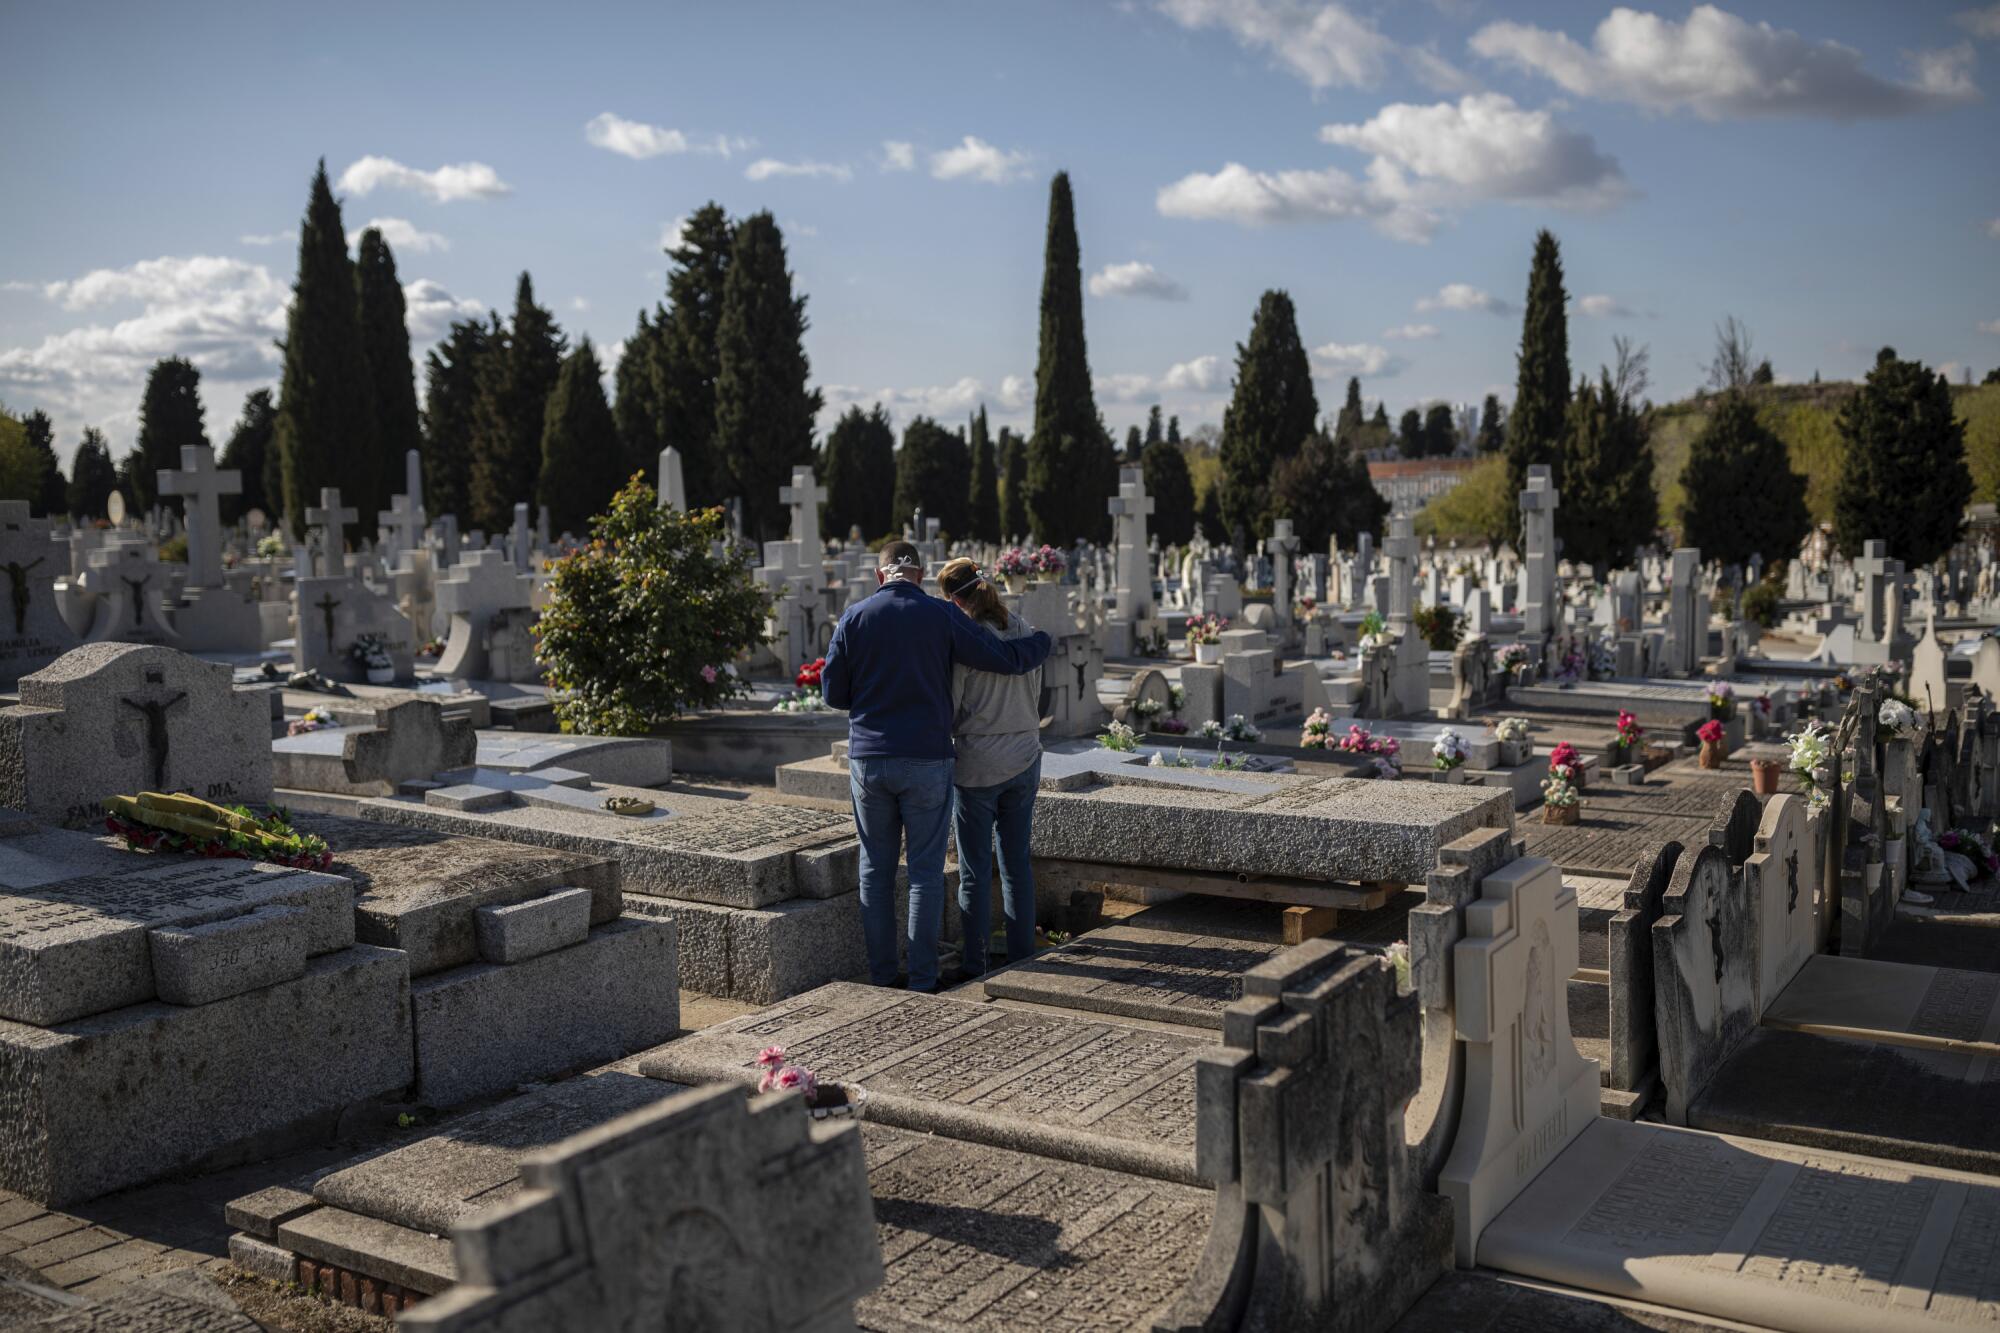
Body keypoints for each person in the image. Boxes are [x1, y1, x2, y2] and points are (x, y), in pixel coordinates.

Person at [821, 542, 1052, 992]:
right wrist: (1042, 642)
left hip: (870, 756)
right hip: (927, 756)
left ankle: (883, 976)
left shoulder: (854, 616)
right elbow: (1002, 658)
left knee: (875, 869)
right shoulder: (941, 615)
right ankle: (924, 979)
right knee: (925, 873)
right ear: (921, 575)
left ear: (878, 574)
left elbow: (833, 693)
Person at [936, 557, 1043, 977]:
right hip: (1025, 754)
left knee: (974, 871)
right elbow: (1038, 695)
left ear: (953, 600)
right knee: (1016, 862)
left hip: (979, 762)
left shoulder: (967, 644)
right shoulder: (1025, 631)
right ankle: (1022, 955)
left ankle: (975, 959)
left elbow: (952, 706)